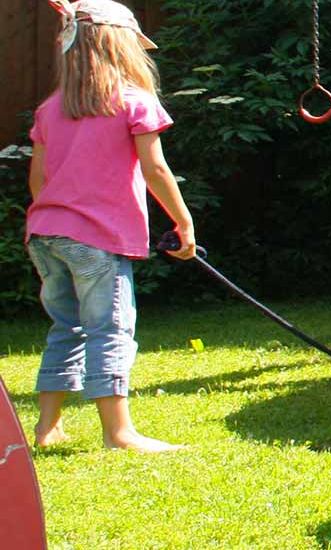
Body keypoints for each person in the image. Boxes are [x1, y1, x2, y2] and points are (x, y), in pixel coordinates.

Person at [26, 0, 196, 453]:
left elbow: (37, 179)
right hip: (97, 241)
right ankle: (119, 432)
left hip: (45, 235)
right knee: (110, 328)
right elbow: (156, 169)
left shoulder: (51, 109)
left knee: (67, 326)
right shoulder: (134, 102)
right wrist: (183, 222)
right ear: (124, 49)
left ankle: (46, 428)